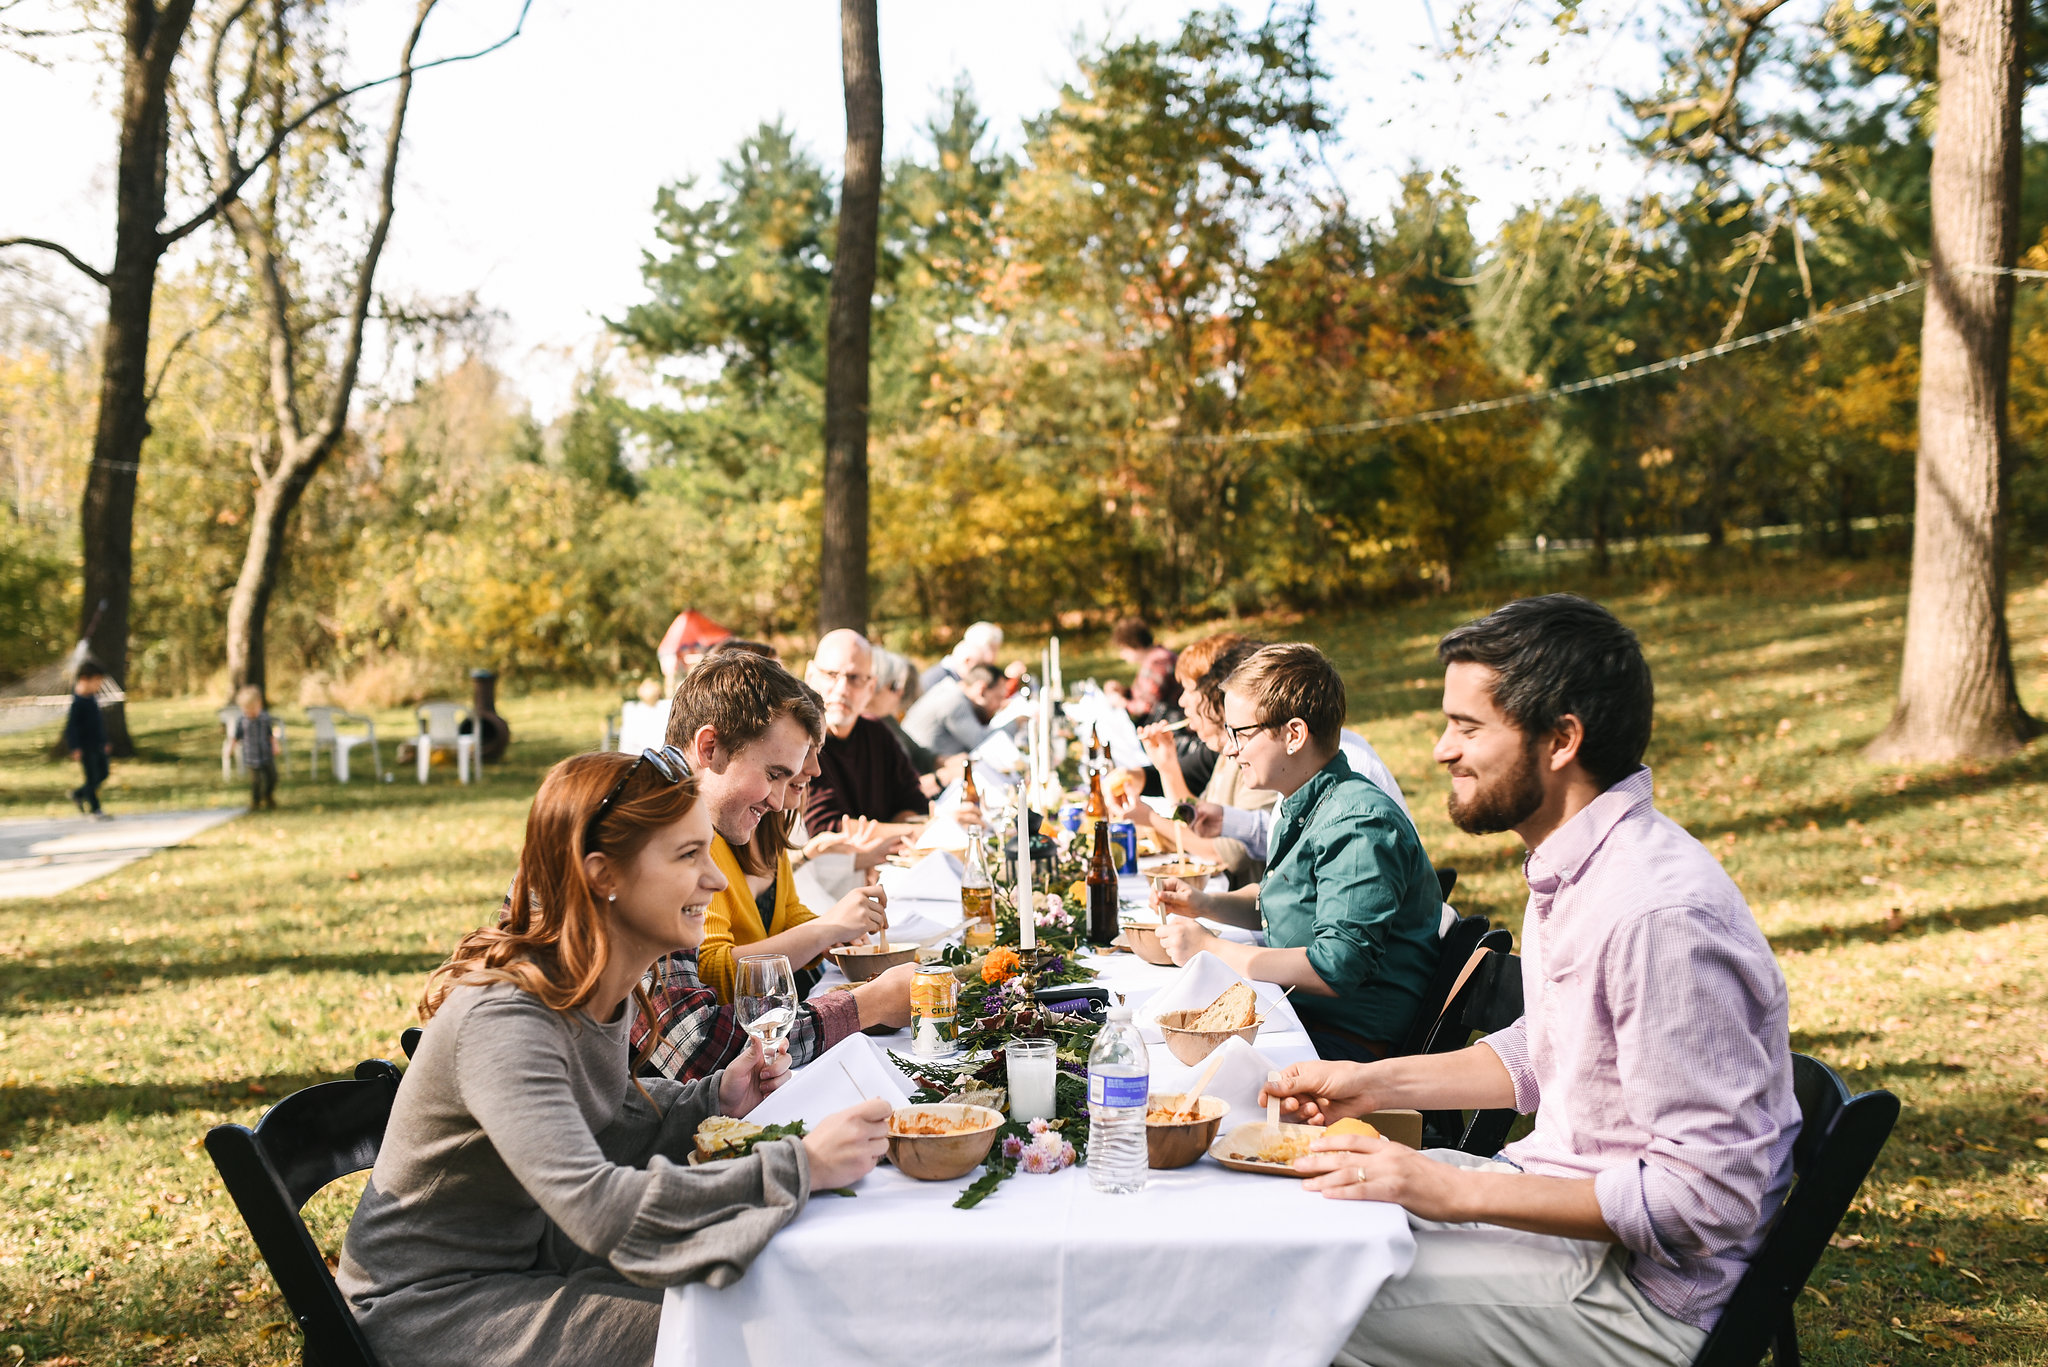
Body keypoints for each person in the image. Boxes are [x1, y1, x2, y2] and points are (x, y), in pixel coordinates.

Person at [1263, 594, 1799, 1367]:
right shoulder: (1577, 864)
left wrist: (1454, 1190)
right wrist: (1371, 1085)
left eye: (1468, 726)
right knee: (1284, 1214)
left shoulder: (1657, 912)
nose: (1443, 750)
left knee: (1290, 1298)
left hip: (1640, 1296)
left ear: (1561, 740)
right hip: (1556, 1216)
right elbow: (1545, 1047)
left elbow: (1706, 1198)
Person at [336, 750, 893, 1367]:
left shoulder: (598, 984)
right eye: (688, 856)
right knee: (742, 1334)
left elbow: (608, 1116)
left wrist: (715, 1099)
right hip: (432, 1312)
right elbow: (600, 1207)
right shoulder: (506, 1019)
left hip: (536, 1260)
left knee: (765, 1297)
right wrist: (801, 1166)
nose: (714, 879)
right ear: (603, 875)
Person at [1151, 643, 1443, 1061]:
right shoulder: (1302, 801)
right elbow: (1284, 901)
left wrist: (1211, 948)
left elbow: (1337, 964)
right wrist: (1203, 903)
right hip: (1303, 1017)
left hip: (1349, 1045)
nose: (1231, 748)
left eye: (1241, 734)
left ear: (1294, 735)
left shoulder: (1358, 822)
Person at [665, 651, 905, 1004]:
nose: (814, 771)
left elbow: (787, 911)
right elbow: (709, 978)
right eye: (775, 773)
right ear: (709, 747)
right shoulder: (673, 837)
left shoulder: (749, 820)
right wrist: (824, 930)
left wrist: (831, 935)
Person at [1112, 635, 1272, 884]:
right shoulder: (1223, 754)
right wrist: (1167, 767)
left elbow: (1222, 852)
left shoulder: (1254, 760)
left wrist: (1151, 818)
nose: (1181, 701)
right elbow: (1193, 819)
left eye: (1189, 689)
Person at [803, 629, 930, 842]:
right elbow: (826, 829)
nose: (842, 689)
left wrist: (902, 830)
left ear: (871, 687)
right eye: (832, 675)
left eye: (855, 678)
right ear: (810, 676)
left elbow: (914, 803)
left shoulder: (877, 732)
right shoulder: (801, 743)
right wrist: (911, 832)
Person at [866, 647, 940, 791]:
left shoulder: (886, 719)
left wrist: (951, 762)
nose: (901, 692)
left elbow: (920, 755)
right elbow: (890, 792)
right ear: (873, 685)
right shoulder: (864, 730)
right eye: (894, 686)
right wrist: (940, 778)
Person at [900, 661, 1004, 759]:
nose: (1000, 704)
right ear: (981, 689)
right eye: (998, 697)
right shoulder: (955, 702)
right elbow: (982, 742)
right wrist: (1016, 722)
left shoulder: (949, 690)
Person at [1103, 615, 1178, 724]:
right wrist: (1124, 691)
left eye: (1123, 649)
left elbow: (1148, 706)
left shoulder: (1159, 662)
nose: (1122, 655)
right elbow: (1146, 693)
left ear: (1134, 644)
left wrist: (1122, 703)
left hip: (1170, 723)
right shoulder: (1154, 657)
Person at [64, 664, 111, 818]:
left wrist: (104, 741)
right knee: (92, 777)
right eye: (97, 682)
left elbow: (97, 725)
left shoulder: (92, 699)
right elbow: (72, 728)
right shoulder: (78, 702)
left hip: (97, 744)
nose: (99, 686)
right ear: (84, 680)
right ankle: (95, 809)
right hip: (85, 746)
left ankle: (78, 794)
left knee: (103, 773)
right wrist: (75, 747)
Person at [919, 620, 1002, 694]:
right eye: (982, 665)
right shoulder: (935, 680)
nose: (993, 659)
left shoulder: (956, 676)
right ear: (968, 660)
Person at [231, 684, 280, 812]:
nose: (250, 713)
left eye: (253, 709)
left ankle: (268, 795)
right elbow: (236, 736)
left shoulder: (265, 718)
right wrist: (231, 748)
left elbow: (270, 734)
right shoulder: (242, 721)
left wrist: (275, 746)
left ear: (259, 704)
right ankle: (256, 801)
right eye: (247, 710)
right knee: (256, 781)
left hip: (266, 754)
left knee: (273, 777)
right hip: (251, 756)